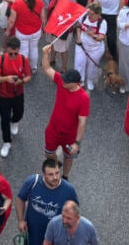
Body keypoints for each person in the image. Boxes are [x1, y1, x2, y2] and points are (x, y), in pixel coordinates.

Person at [41, 45, 90, 179]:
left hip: (70, 135)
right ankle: (56, 164)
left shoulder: (83, 98)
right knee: (49, 154)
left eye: (67, 82)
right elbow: (47, 68)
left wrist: (77, 143)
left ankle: (65, 176)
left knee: (69, 157)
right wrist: (45, 54)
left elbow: (82, 122)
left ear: (76, 83)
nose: (63, 82)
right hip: (53, 129)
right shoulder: (61, 82)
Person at [15, 159, 79, 245]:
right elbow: (20, 198)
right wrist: (20, 220)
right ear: (44, 175)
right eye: (50, 174)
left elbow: (75, 212)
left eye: (57, 173)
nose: (55, 177)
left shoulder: (69, 190)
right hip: (33, 234)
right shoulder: (32, 182)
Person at [0, 36, 32, 158]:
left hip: (18, 93)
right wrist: (6, 79)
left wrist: (21, 81)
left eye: (16, 53)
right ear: (6, 50)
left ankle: (15, 122)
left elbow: (28, 76)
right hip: (4, 95)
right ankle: (6, 142)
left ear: (19, 50)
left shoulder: (24, 60)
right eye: (11, 53)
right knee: (4, 120)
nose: (13, 56)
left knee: (19, 113)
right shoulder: (1, 60)